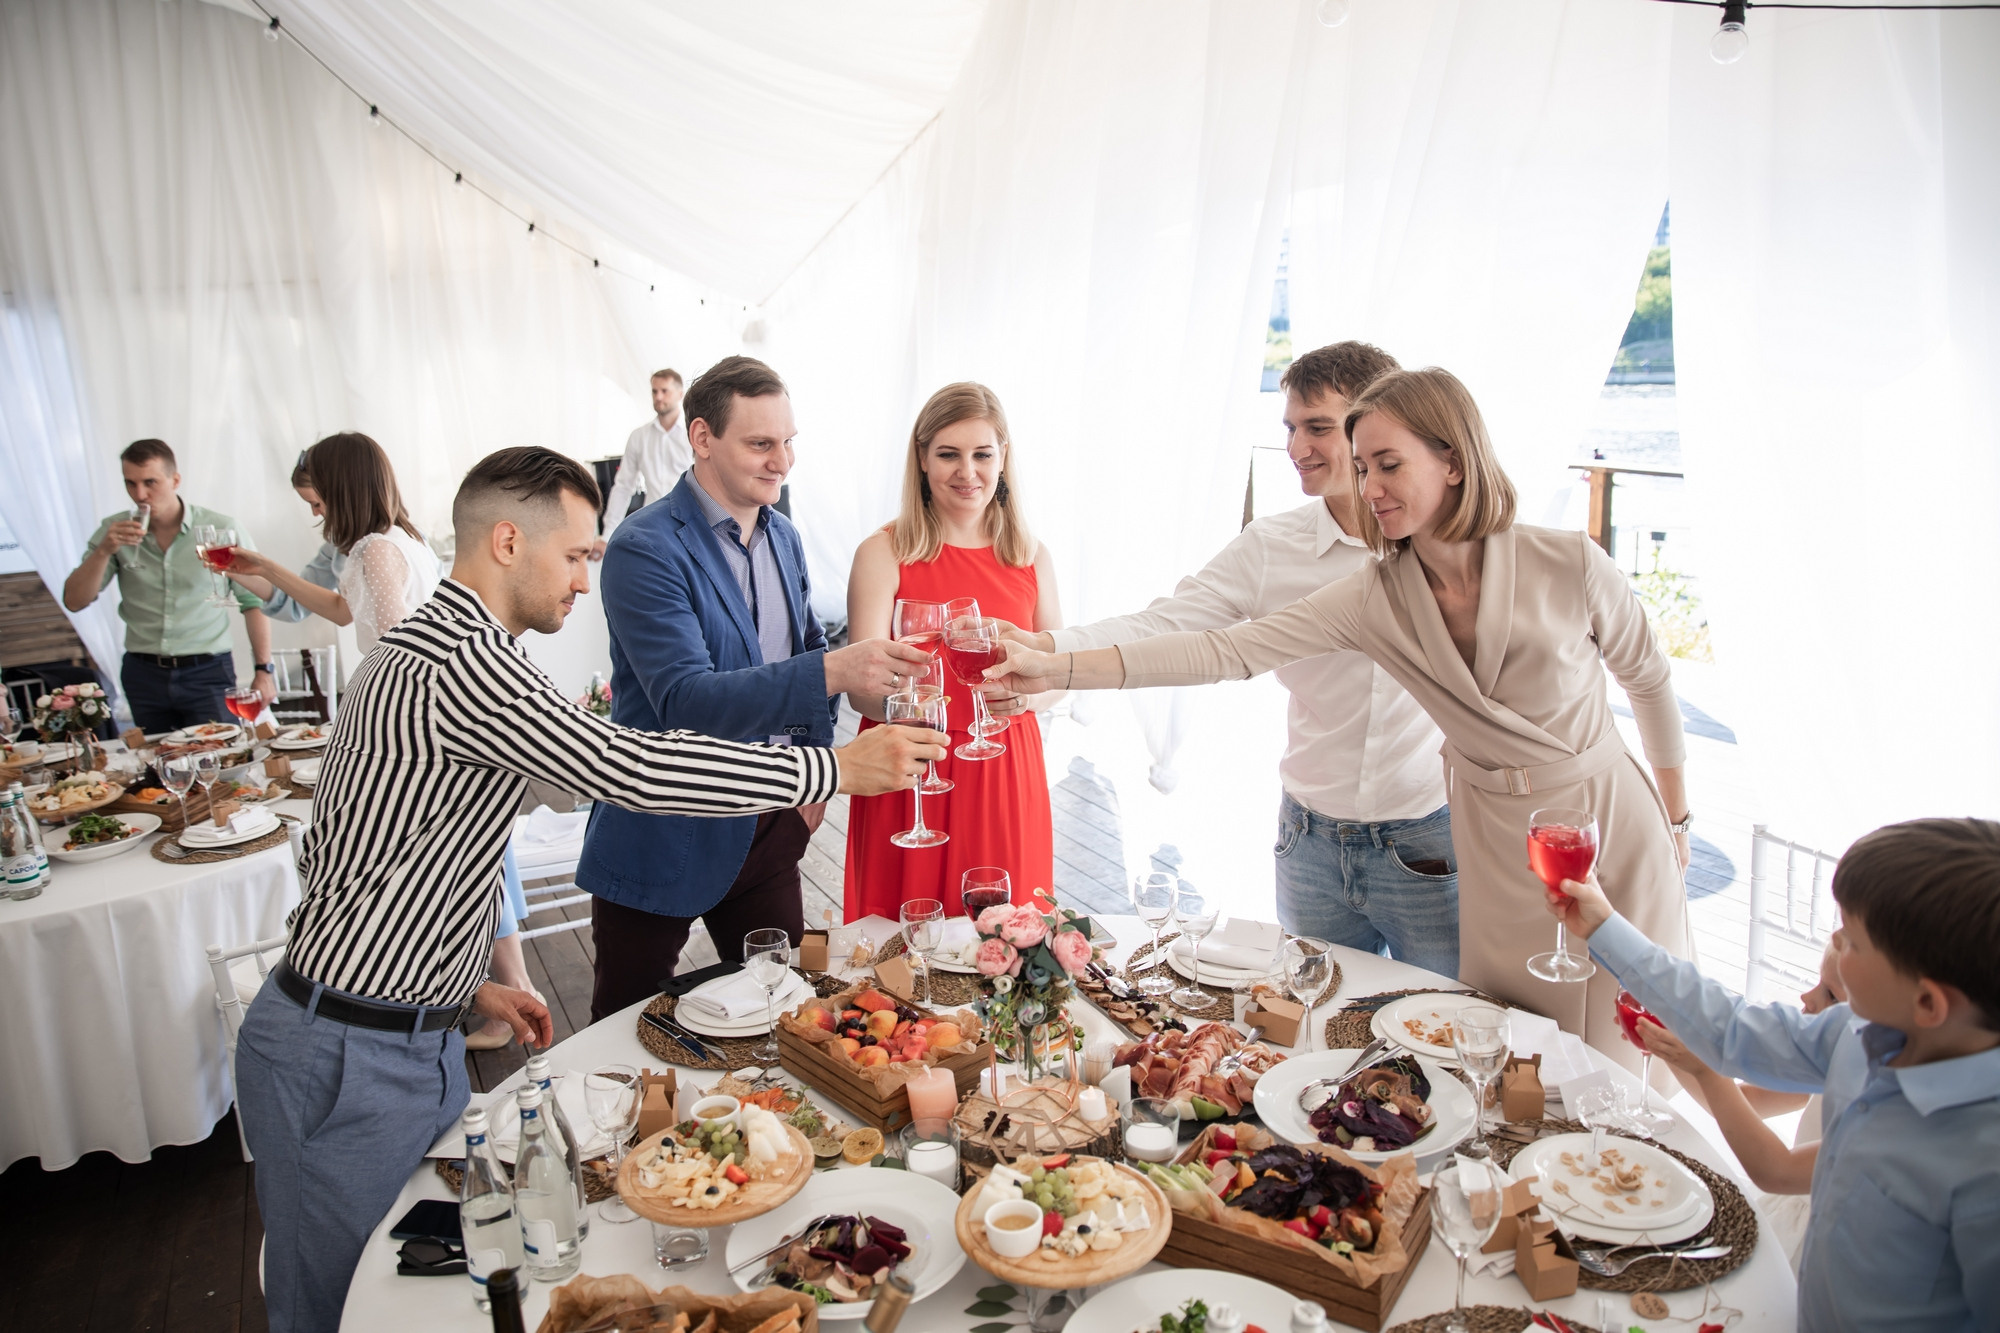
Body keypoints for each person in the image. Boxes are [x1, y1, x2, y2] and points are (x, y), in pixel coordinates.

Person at [232, 445, 943, 1333]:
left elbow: (373, 858)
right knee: (334, 1310)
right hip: (345, 1053)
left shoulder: (440, 646)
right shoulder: (463, 662)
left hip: (404, 1033)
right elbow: (626, 765)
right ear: (506, 542)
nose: (583, 578)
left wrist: (460, 985)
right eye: (573, 554)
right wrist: (830, 768)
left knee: (424, 1282)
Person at [988, 367, 1693, 1067]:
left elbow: (1650, 679)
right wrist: (1057, 665)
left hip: (1599, 825)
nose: (1369, 487)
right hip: (1492, 842)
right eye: (1362, 468)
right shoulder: (1375, 595)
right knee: (1498, 1051)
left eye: (1388, 464)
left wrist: (1678, 817)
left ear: (1453, 460)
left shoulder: (1568, 561)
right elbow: (1225, 649)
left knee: (1623, 1045)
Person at [1007, 344, 1457, 972]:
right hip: (1309, 839)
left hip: (1428, 836)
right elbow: (1171, 623)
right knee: (1313, 1007)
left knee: (1439, 1012)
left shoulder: (1449, 548)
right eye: (1290, 428)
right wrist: (1048, 646)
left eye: (1318, 428)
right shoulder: (1273, 544)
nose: (1297, 448)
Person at [576, 357, 935, 1021]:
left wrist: (810, 783)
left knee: (788, 1015)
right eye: (762, 443)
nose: (783, 462)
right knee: (624, 1030)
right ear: (702, 437)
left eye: (789, 441)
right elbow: (686, 699)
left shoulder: (784, 537)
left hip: (769, 822)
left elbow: (803, 648)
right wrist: (835, 672)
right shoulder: (643, 546)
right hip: (664, 826)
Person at [1545, 819, 2000, 1332]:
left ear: (1928, 1002)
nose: (1834, 939)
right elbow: (1731, 1027)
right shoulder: (1855, 1034)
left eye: (1852, 941)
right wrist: (1605, 926)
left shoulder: (1984, 1171)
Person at [844, 382, 1060, 917]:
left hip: (1003, 767)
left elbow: (1057, 674)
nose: (968, 472)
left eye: (982, 454)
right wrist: (911, 707)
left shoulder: (1031, 555)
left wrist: (1027, 700)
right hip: (911, 767)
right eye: (948, 455)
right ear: (921, 458)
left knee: (1005, 934)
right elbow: (861, 691)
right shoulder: (882, 552)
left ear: (1003, 457)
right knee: (905, 935)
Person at [1633, 942, 1846, 1272]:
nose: (1807, 997)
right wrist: (1669, 1049)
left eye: (1831, 995)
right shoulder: (1826, 1062)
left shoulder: (1883, 1114)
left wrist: (1705, 1070)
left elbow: (1777, 1171)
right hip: (1787, 1211)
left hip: (1822, 1249)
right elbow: (1742, 1102)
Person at [63, 438, 277, 730]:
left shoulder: (221, 529)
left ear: (175, 480)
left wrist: (263, 669)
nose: (140, 494)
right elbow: (75, 601)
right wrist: (103, 551)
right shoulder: (114, 531)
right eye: (130, 483)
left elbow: (253, 602)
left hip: (207, 671)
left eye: (150, 482)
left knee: (222, 751)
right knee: (157, 756)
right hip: (142, 674)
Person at [222, 433, 441, 653]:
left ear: (343, 494)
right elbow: (342, 611)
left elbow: (396, 646)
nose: (315, 513)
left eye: (317, 503)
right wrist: (263, 568)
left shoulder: (379, 549)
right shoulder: (408, 538)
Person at [592, 367, 692, 558]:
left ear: (680, 394)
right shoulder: (639, 436)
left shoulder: (693, 435)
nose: (658, 397)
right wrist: (607, 535)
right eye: (655, 391)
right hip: (653, 526)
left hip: (689, 524)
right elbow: (623, 486)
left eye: (664, 391)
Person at [253, 452, 346, 625]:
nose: (315, 513)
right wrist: (244, 572)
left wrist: (265, 567)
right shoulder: (337, 545)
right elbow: (296, 601)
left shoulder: (380, 544)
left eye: (316, 504)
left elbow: (343, 613)